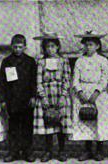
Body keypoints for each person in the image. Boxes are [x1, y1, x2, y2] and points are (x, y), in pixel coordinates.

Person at [72, 30, 108, 161]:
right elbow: (75, 78)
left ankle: (99, 150)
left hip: (98, 94)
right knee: (85, 120)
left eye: (91, 44)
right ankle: (87, 150)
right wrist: (79, 92)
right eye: (86, 44)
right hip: (83, 92)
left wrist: (96, 92)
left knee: (99, 121)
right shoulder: (79, 61)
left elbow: (104, 78)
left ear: (97, 46)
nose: (88, 47)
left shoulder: (103, 60)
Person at [33, 32, 73, 162]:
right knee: (48, 123)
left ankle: (62, 150)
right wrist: (42, 96)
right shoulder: (41, 61)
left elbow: (67, 79)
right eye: (48, 47)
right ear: (44, 48)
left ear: (57, 47)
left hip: (60, 94)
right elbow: (38, 80)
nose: (50, 49)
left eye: (53, 46)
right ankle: (48, 151)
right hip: (46, 94)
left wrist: (63, 96)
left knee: (61, 124)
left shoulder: (63, 61)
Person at [0, 34, 37, 162]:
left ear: (25, 47)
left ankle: (28, 152)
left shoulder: (30, 61)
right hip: (12, 99)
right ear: (11, 47)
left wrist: (33, 96)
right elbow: (3, 81)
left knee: (27, 127)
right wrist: (3, 99)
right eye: (15, 47)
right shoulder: (6, 61)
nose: (17, 49)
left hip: (26, 99)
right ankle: (13, 152)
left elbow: (34, 80)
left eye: (20, 47)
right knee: (14, 127)